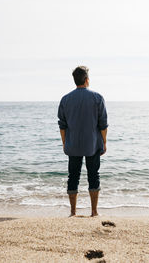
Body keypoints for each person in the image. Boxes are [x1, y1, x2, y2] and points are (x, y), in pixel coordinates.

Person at [57, 66, 108, 217]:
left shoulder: (65, 99)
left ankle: (73, 212)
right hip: (93, 144)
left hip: (73, 145)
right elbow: (103, 124)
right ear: (87, 79)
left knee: (73, 176)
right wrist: (104, 142)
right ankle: (94, 212)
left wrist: (65, 142)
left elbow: (62, 125)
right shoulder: (97, 97)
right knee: (94, 175)